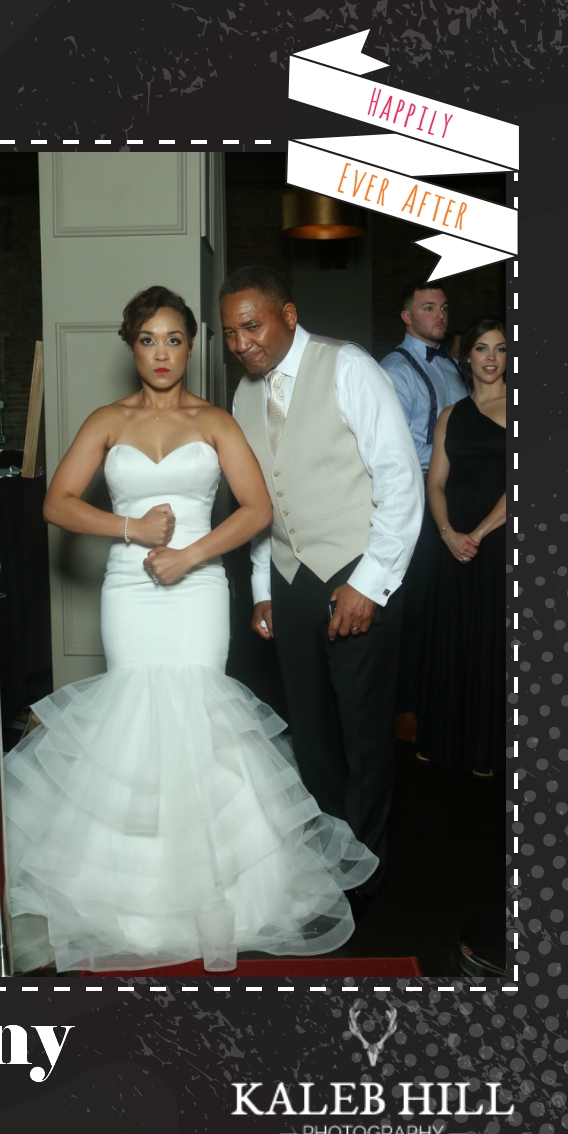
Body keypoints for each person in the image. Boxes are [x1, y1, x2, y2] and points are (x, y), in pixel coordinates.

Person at [0, 286, 377, 973]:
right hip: (129, 591)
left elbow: (257, 508)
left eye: (175, 339)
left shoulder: (215, 420)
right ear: (131, 346)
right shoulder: (106, 420)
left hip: (197, 591)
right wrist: (129, 529)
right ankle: (127, 901)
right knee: (134, 718)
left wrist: (189, 553)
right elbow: (56, 503)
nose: (162, 353)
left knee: (200, 721)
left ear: (192, 345)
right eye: (149, 339)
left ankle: (224, 897)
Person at [225, 265, 422, 905]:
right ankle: (328, 864)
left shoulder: (349, 367)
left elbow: (398, 478)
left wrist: (370, 582)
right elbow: (259, 505)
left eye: (251, 326)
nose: (242, 344)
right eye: (230, 334)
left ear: (287, 315)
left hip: (355, 571)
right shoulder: (240, 397)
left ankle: (365, 877)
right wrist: (261, 586)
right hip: (288, 579)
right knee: (309, 734)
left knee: (363, 735)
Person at [417, 318, 506, 775]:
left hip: (501, 541)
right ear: (466, 357)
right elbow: (434, 483)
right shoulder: (451, 415)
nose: (491, 358)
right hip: (453, 543)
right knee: (453, 640)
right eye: (481, 349)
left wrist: (481, 533)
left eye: (500, 349)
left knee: (493, 641)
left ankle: (488, 748)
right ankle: (449, 743)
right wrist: (449, 533)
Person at [381, 282, 468, 742]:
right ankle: (403, 705)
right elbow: (393, 448)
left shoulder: (454, 364)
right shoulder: (395, 370)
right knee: (413, 603)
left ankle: (439, 697)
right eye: (428, 308)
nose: (439, 315)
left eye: (443, 308)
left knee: (445, 602)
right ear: (406, 316)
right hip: (416, 495)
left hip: (457, 493)